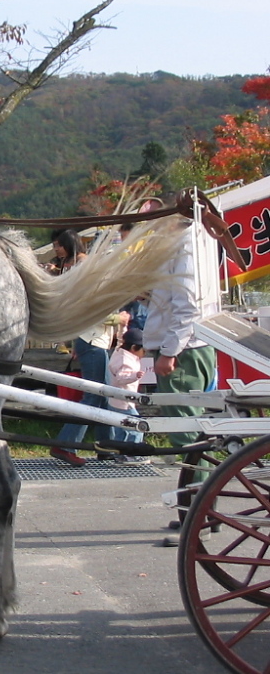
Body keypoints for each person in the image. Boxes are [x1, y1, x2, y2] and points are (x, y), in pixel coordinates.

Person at [142, 223, 217, 546]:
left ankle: (195, 517)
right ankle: (203, 511)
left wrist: (170, 351)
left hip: (183, 350)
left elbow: (187, 304)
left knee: (188, 437)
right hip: (191, 346)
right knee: (193, 434)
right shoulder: (201, 237)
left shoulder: (186, 241)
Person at [49, 309, 130, 466]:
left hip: (93, 343)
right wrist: (118, 318)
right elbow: (94, 313)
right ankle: (65, 445)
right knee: (93, 396)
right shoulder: (102, 285)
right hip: (93, 343)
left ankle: (106, 447)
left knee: (103, 397)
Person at [106, 327, 150, 465]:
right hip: (125, 402)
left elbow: (121, 339)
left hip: (115, 400)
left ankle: (120, 454)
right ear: (133, 347)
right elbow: (121, 377)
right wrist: (134, 376)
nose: (145, 353)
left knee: (121, 429)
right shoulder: (126, 361)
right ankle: (133, 453)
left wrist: (123, 328)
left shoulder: (119, 352)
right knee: (137, 426)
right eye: (143, 349)